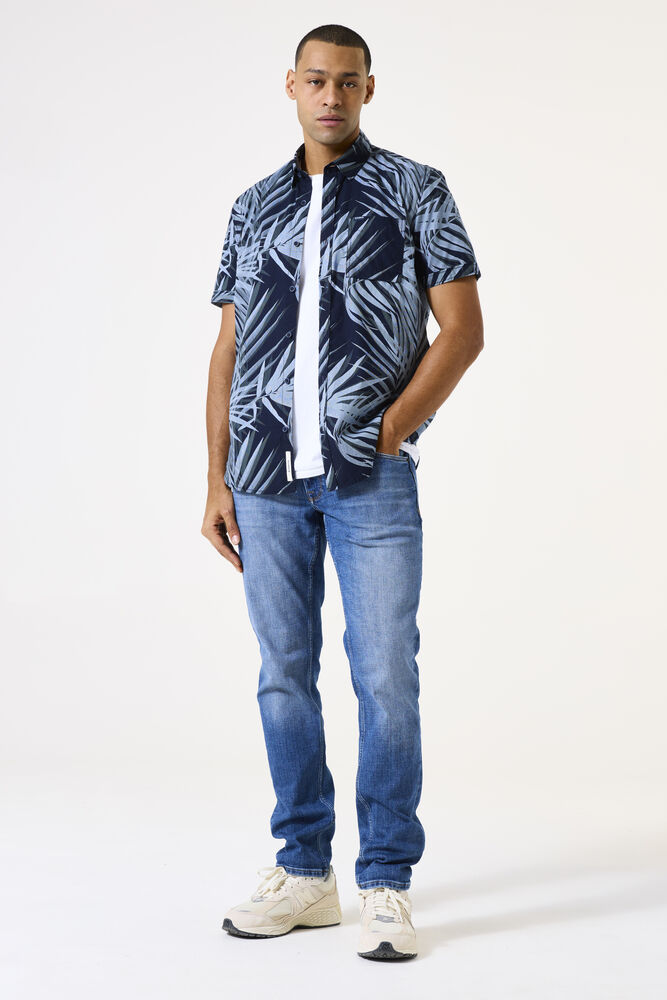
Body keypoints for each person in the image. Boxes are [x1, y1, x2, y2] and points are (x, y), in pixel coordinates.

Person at [201, 23, 483, 961]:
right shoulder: (252, 206)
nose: (331, 96)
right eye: (316, 80)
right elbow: (230, 347)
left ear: (368, 89)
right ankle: (305, 872)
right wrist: (216, 477)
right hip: (263, 480)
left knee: (384, 675)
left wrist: (391, 430)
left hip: (370, 480)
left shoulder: (415, 189)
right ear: (291, 85)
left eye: (348, 82)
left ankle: (386, 881)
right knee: (283, 673)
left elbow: (463, 331)